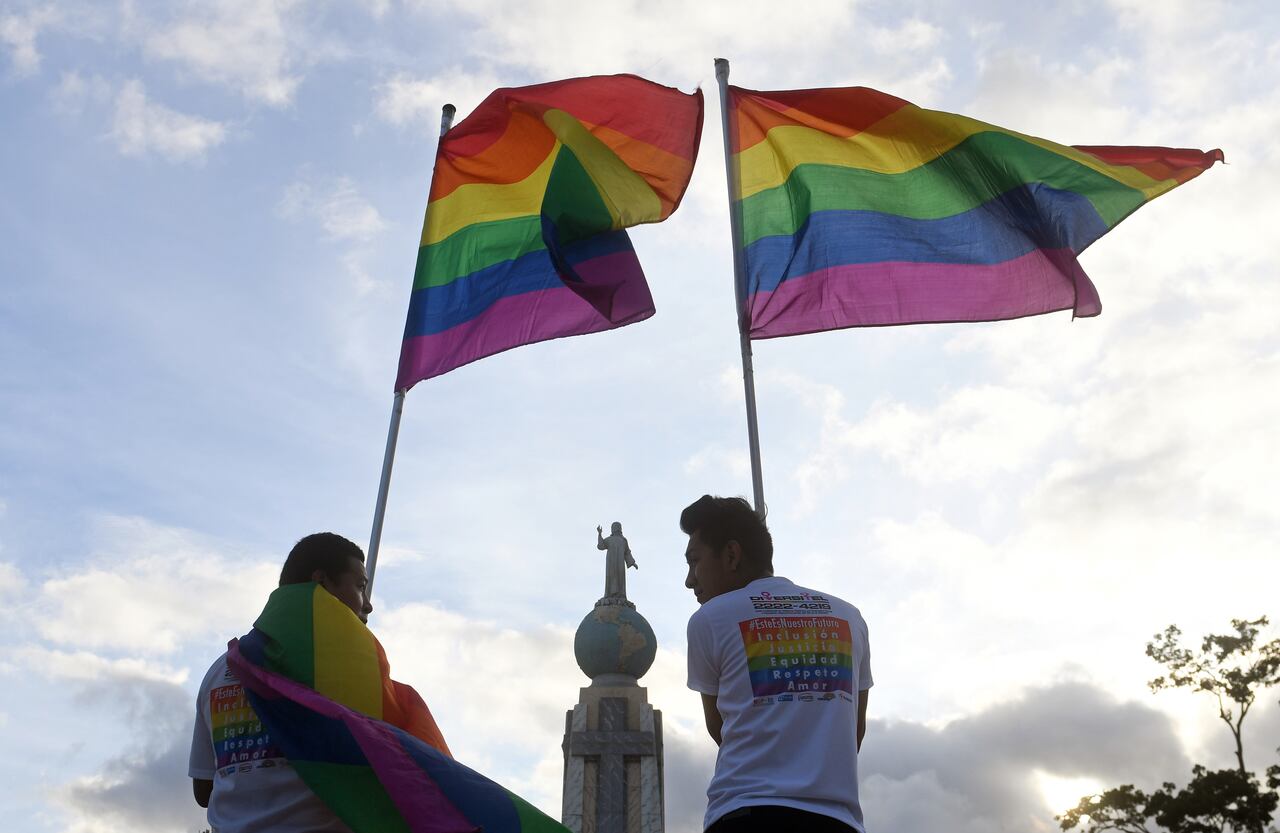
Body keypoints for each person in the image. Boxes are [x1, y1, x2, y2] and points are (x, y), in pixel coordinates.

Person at [682, 495, 873, 833]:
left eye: (694, 561)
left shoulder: (710, 619)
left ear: (731, 554)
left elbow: (721, 728)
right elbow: (853, 730)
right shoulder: (849, 618)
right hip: (837, 819)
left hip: (744, 812)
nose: (690, 579)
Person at [188, 532, 372, 833]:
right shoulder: (348, 672)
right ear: (321, 582)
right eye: (360, 587)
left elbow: (203, 790)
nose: (368, 605)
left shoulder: (220, 671)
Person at [597, 521, 638, 599]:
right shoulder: (609, 539)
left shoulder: (623, 540)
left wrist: (633, 563)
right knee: (611, 577)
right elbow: (601, 546)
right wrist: (599, 534)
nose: (616, 529)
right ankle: (609, 595)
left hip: (620, 563)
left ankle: (620, 595)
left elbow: (627, 552)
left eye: (617, 527)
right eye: (614, 528)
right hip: (611, 562)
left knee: (620, 578)